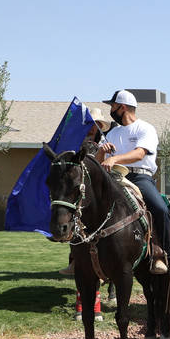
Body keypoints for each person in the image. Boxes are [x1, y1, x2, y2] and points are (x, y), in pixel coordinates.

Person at [94, 90, 170, 274]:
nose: (111, 110)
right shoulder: (112, 133)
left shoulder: (145, 128)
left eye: (112, 106)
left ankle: (160, 253)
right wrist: (103, 153)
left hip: (140, 177)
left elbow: (140, 153)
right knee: (88, 202)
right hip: (115, 178)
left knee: (161, 209)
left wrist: (115, 159)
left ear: (123, 107)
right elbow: (98, 162)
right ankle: (80, 254)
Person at [58, 109, 112, 277]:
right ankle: (75, 260)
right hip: (83, 187)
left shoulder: (106, 141)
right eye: (90, 124)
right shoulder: (77, 142)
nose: (92, 128)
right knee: (76, 220)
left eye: (96, 125)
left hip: (101, 185)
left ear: (100, 126)